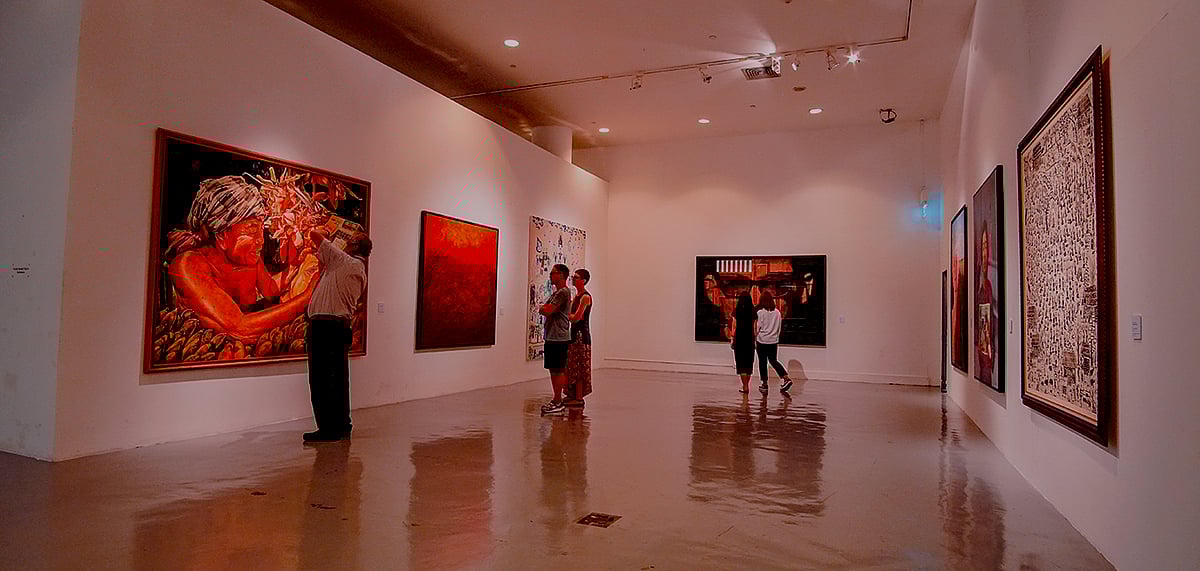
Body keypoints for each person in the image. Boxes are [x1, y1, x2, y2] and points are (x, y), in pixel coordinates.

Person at [166, 175, 316, 342]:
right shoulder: (188, 265)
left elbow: (270, 290)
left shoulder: (247, 258)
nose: (261, 239)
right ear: (222, 235)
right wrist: (308, 297)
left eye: (261, 229)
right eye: (251, 230)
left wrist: (295, 267)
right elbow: (239, 328)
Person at [302, 227, 371, 442]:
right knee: (338, 379)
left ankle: (328, 429)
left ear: (351, 247)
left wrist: (327, 234)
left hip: (325, 327)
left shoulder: (343, 261)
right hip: (339, 327)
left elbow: (314, 234)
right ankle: (341, 424)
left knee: (321, 379)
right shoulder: (357, 269)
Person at [539, 264, 572, 415]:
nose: (551, 275)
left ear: (561, 275)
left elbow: (547, 310)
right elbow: (546, 309)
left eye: (553, 273)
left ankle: (558, 400)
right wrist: (545, 308)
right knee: (554, 369)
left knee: (558, 370)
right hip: (553, 336)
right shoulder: (557, 293)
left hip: (559, 337)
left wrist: (545, 308)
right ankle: (557, 399)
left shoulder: (562, 293)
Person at [564, 269, 593, 407]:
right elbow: (573, 316)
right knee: (573, 366)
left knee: (580, 367)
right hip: (574, 335)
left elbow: (576, 318)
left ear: (584, 280)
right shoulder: (577, 296)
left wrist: (570, 316)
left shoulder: (585, 297)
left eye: (576, 277)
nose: (573, 279)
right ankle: (574, 395)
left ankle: (579, 397)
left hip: (582, 336)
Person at [755, 291, 794, 393]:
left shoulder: (760, 313)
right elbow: (779, 328)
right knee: (773, 360)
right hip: (773, 341)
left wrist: (754, 338)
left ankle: (764, 384)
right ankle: (785, 377)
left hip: (762, 341)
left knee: (762, 362)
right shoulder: (777, 312)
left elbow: (758, 327)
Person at [730, 292, 758, 394]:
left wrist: (732, 338)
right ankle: (747, 385)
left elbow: (734, 326)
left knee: (741, 363)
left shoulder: (736, 311)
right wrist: (755, 340)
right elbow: (755, 328)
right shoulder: (753, 311)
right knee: (749, 363)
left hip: (739, 339)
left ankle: (745, 386)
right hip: (749, 339)